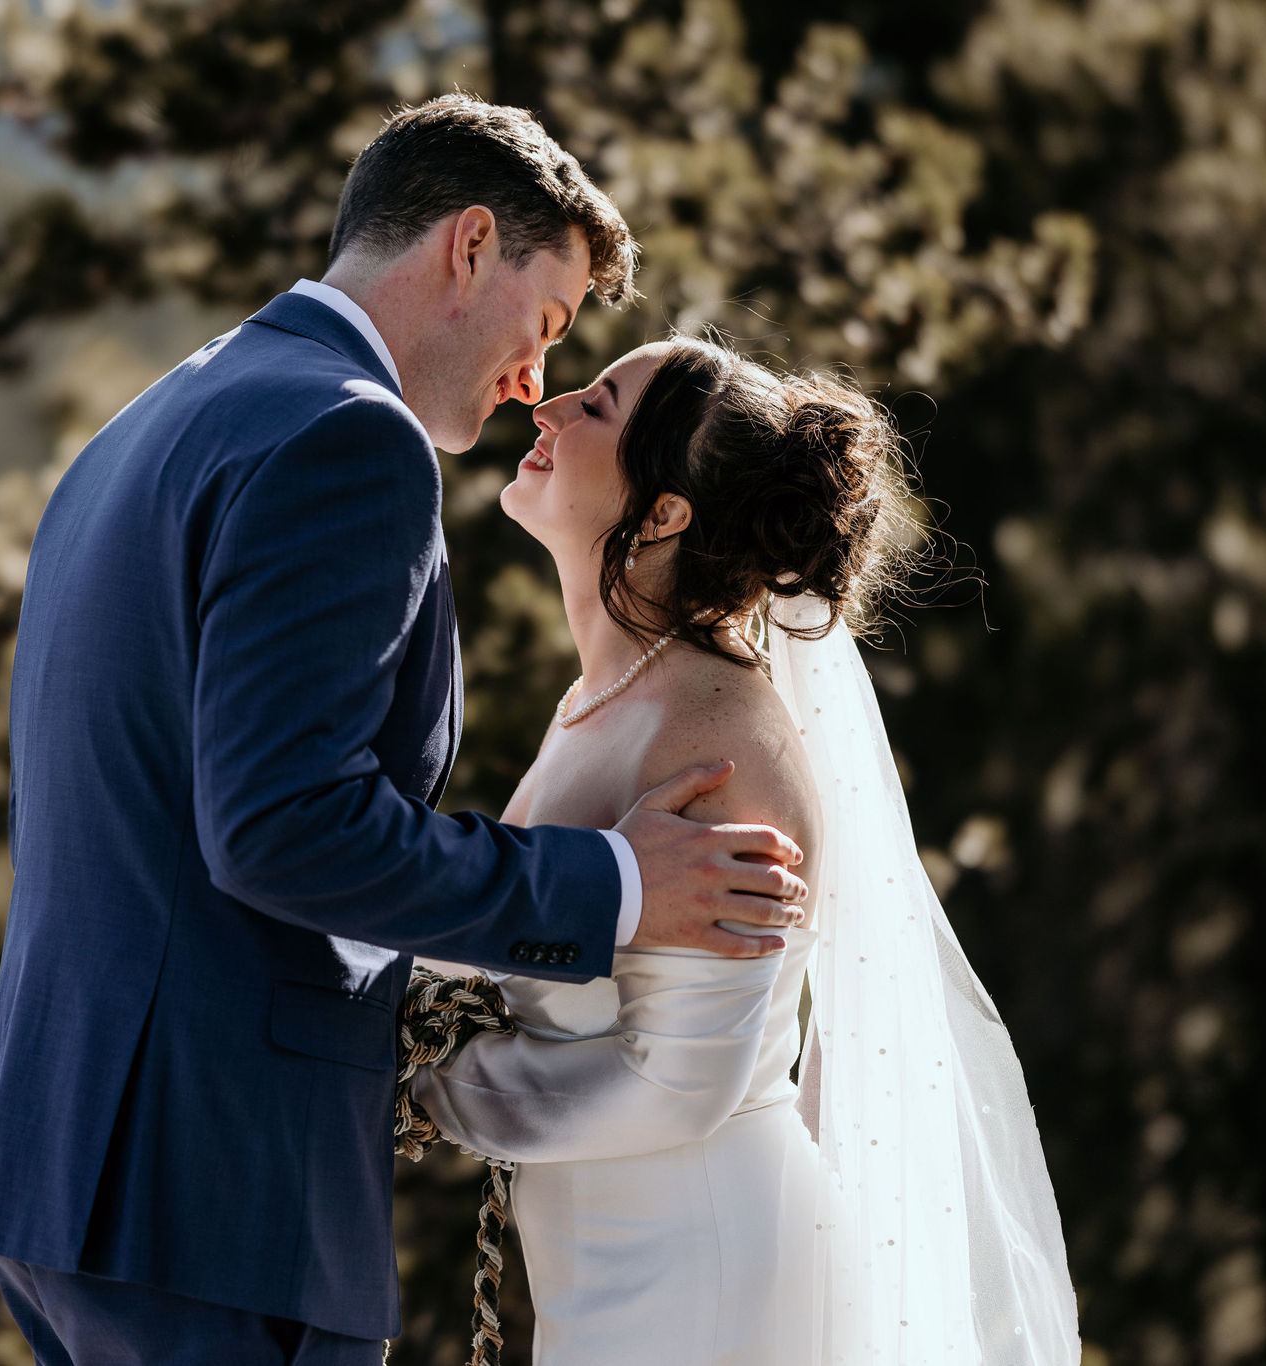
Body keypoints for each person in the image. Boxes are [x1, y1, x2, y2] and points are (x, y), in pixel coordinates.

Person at [0, 96, 812, 1365]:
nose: (533, 381)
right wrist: (615, 884)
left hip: (69, 1165)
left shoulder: (160, 417)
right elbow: (284, 827)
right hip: (215, 1193)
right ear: (467, 246)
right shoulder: (349, 436)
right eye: (544, 323)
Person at [410, 335, 1080, 1364]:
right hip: (612, 1257)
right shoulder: (606, 696)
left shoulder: (720, 744)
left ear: (663, 514)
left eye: (597, 405)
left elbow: (679, 1083)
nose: (549, 406)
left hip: (707, 1270)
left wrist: (420, 1085)